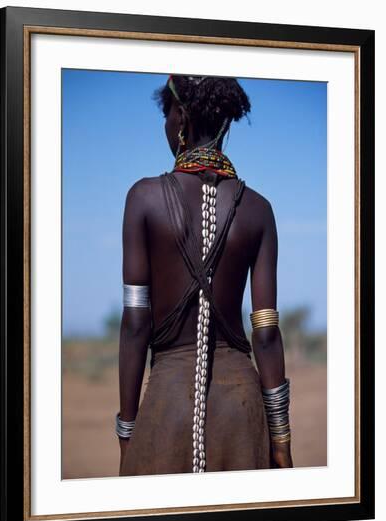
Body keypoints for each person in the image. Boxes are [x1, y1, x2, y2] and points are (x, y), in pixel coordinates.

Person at [116, 74, 293, 476]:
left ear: (179, 117)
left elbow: (135, 324)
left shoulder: (142, 199)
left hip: (166, 407)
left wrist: (128, 429)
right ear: (226, 122)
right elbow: (266, 333)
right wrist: (280, 438)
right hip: (241, 412)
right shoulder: (258, 210)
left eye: (166, 115)